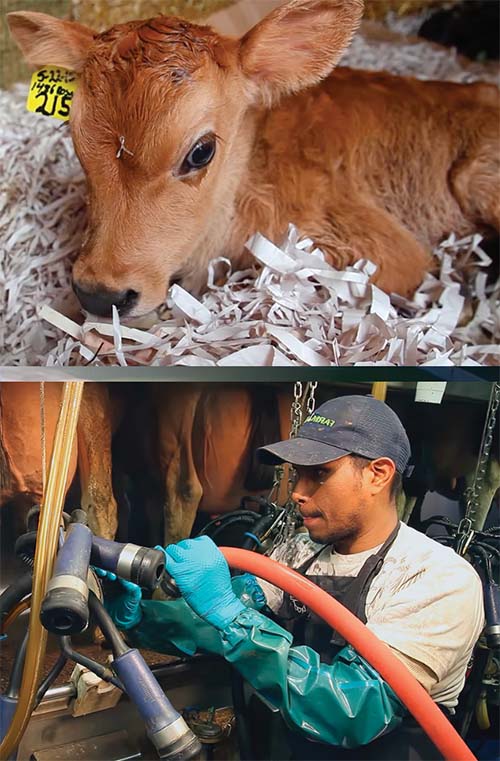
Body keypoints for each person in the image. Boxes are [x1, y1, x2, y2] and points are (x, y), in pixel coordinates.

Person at [98, 395, 485, 760]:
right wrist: (138, 617)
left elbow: (356, 711)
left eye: (320, 474)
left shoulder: (436, 577)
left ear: (378, 475)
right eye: (298, 474)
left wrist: (231, 614)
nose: (298, 492)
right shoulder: (299, 552)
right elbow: (212, 624)